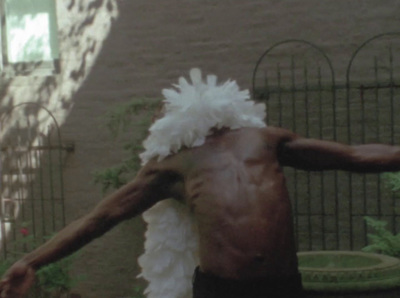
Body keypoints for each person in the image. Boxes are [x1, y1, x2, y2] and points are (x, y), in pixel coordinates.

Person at [1, 69, 400, 298]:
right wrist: (32, 261)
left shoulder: (265, 139)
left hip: (283, 285)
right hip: (221, 291)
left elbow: (353, 156)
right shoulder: (170, 166)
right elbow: (97, 218)